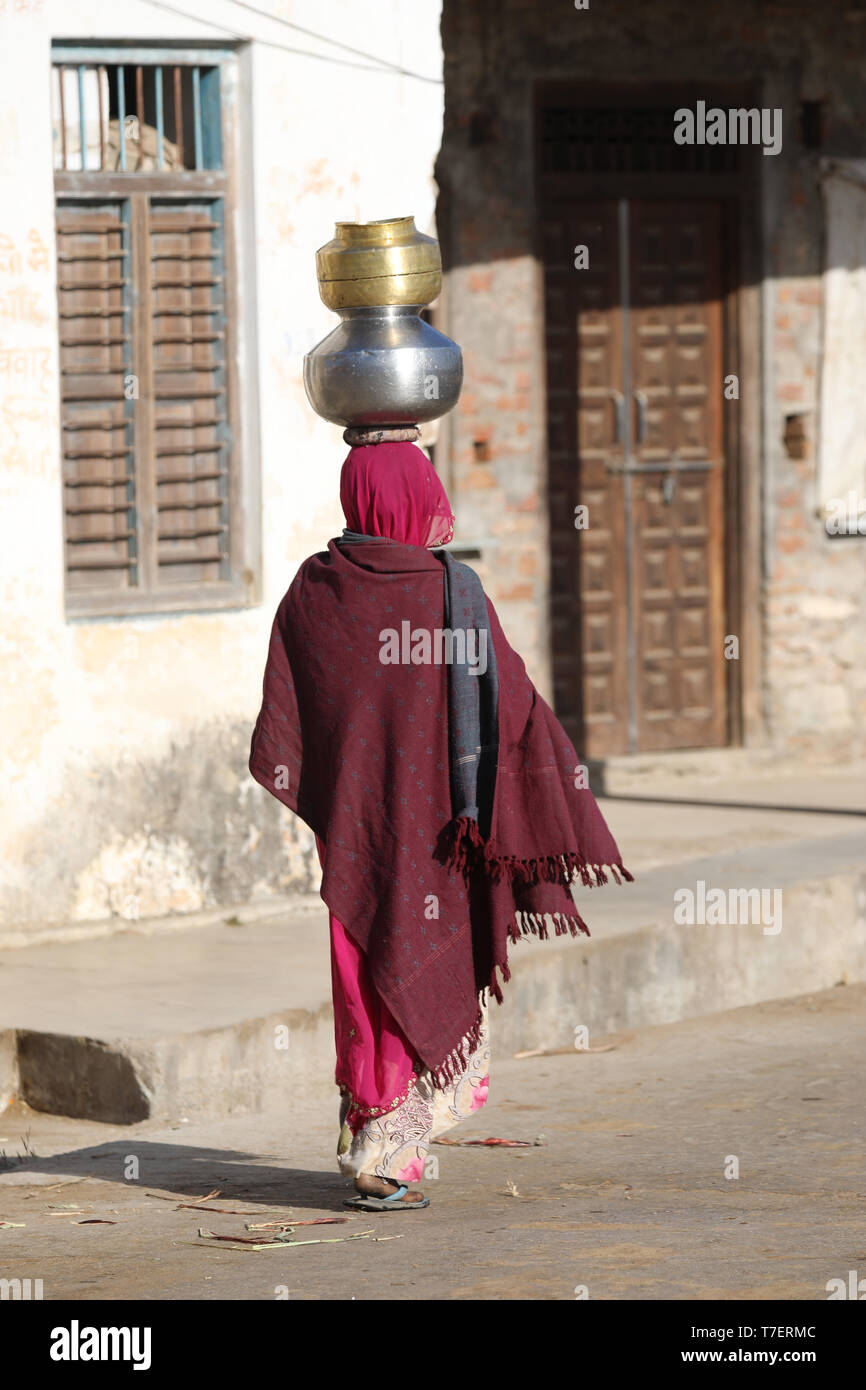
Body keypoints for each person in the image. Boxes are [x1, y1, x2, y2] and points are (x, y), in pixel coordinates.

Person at [249, 441, 631, 1212]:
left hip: (360, 829)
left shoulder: (313, 590)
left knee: (364, 978)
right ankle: (386, 1158)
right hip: (441, 833)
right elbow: (511, 703)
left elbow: (299, 710)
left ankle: (373, 1134)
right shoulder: (453, 593)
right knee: (417, 962)